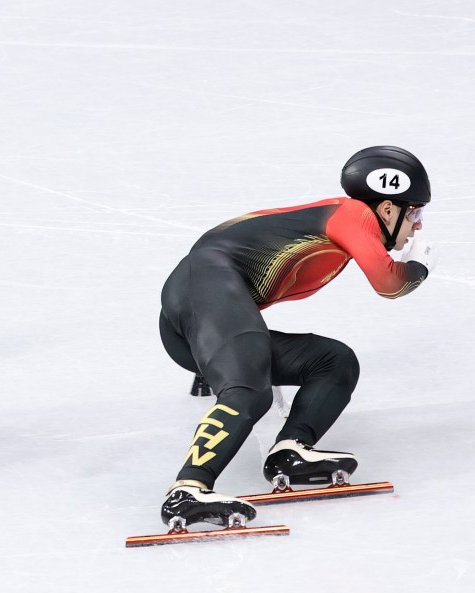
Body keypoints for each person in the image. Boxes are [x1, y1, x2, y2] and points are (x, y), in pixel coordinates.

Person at [156, 146, 435, 529]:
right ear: (387, 209)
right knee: (251, 390)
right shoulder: (354, 214)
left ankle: (290, 451)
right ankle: (188, 488)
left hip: (197, 310)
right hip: (198, 293)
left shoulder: (341, 229)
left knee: (333, 361)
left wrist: (211, 357)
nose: (417, 225)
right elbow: (388, 283)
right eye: (414, 211)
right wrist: (419, 266)